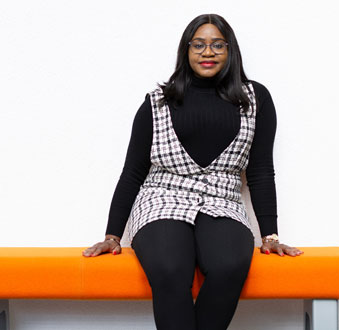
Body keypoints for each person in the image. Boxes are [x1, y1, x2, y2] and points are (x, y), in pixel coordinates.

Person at [82, 13, 303, 330]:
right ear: (186, 50)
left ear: (230, 51)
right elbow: (132, 172)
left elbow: (261, 171)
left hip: (222, 201)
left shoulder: (256, 99)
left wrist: (270, 234)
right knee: (171, 268)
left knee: (229, 265)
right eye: (198, 44)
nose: (208, 52)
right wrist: (112, 235)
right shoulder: (157, 103)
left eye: (217, 45)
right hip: (161, 199)